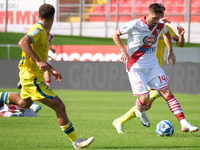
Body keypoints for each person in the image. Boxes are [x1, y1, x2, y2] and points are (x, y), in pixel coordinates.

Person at [0, 4, 94, 149]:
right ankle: (76, 141)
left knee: (24, 103)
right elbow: (22, 42)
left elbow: (40, 57)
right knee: (59, 106)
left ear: (39, 15)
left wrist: (51, 70)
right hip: (32, 77)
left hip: (29, 74)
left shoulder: (42, 31)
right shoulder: (38, 30)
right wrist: (38, 61)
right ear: (53, 17)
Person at [112, 3, 199, 134]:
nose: (156, 21)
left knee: (166, 93)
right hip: (136, 66)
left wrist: (171, 51)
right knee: (145, 100)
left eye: (159, 18)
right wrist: (123, 52)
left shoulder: (161, 26)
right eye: (154, 18)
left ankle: (184, 122)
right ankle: (135, 113)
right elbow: (115, 35)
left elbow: (169, 36)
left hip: (154, 66)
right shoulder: (134, 25)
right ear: (147, 15)